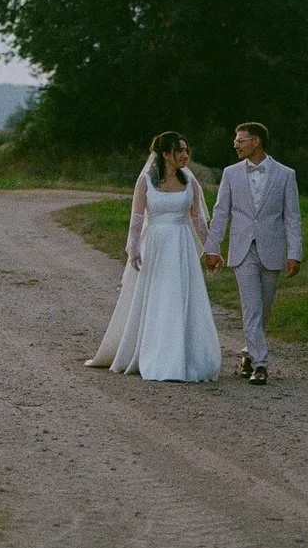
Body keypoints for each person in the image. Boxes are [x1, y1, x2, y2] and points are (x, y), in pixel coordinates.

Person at [87, 131, 222, 382]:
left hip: (181, 245)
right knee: (159, 297)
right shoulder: (146, 181)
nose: (184, 155)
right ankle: (157, 354)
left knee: (181, 296)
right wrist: (134, 248)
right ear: (165, 154)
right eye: (179, 150)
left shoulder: (189, 181)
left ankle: (184, 355)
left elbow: (197, 218)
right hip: (156, 245)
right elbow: (137, 219)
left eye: (186, 150)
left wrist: (210, 248)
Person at [203, 119, 302, 385]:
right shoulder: (231, 173)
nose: (235, 144)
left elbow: (292, 217)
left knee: (264, 308)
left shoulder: (285, 175)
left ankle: (248, 353)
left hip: (272, 249)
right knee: (252, 307)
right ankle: (261, 364)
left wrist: (295, 253)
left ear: (256, 141)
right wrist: (212, 248)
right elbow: (221, 212)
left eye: (240, 140)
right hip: (242, 248)